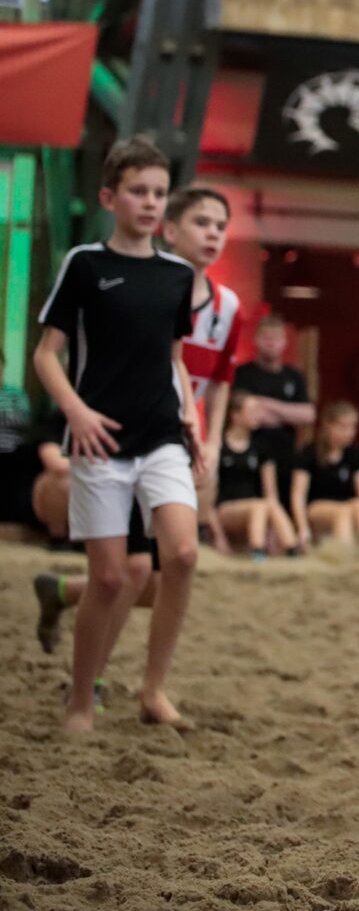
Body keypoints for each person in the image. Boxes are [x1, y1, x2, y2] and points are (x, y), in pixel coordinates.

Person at [33, 137, 202, 732]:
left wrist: (192, 416)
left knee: (182, 553)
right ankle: (81, 699)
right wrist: (76, 413)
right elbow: (46, 355)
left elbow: (174, 358)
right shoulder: (85, 264)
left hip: (161, 434)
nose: (150, 202)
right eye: (138, 191)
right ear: (110, 197)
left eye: (159, 193)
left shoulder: (180, 275)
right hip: (99, 438)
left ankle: (153, 690)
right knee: (108, 578)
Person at [164, 186, 242, 550]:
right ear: (170, 231)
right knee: (124, 568)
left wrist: (212, 442)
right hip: (131, 432)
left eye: (221, 226)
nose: (213, 232)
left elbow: (220, 380)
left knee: (178, 557)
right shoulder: (144, 288)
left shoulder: (228, 306)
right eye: (202, 222)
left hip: (183, 438)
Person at [290, 401, 359, 556]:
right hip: (317, 508)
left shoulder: (355, 454)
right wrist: (302, 528)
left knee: (358, 505)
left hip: (349, 506)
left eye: (352, 427)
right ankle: (343, 554)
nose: (349, 433)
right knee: (343, 511)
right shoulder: (309, 452)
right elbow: (298, 495)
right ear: (328, 426)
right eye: (343, 427)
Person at [232, 315, 314, 490]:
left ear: (284, 342)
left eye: (275, 338)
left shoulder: (294, 376)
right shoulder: (242, 374)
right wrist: (287, 414)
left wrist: (264, 403)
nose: (270, 343)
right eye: (266, 337)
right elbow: (241, 411)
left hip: (285, 455)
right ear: (255, 340)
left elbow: (307, 414)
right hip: (249, 453)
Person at [212, 391, 297, 558]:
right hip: (224, 509)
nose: (258, 415)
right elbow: (208, 497)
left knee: (267, 504)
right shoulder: (218, 447)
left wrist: (273, 531)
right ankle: (258, 553)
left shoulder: (261, 448)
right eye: (252, 411)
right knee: (259, 505)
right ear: (235, 415)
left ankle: (291, 550)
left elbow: (271, 493)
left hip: (256, 509)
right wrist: (218, 536)